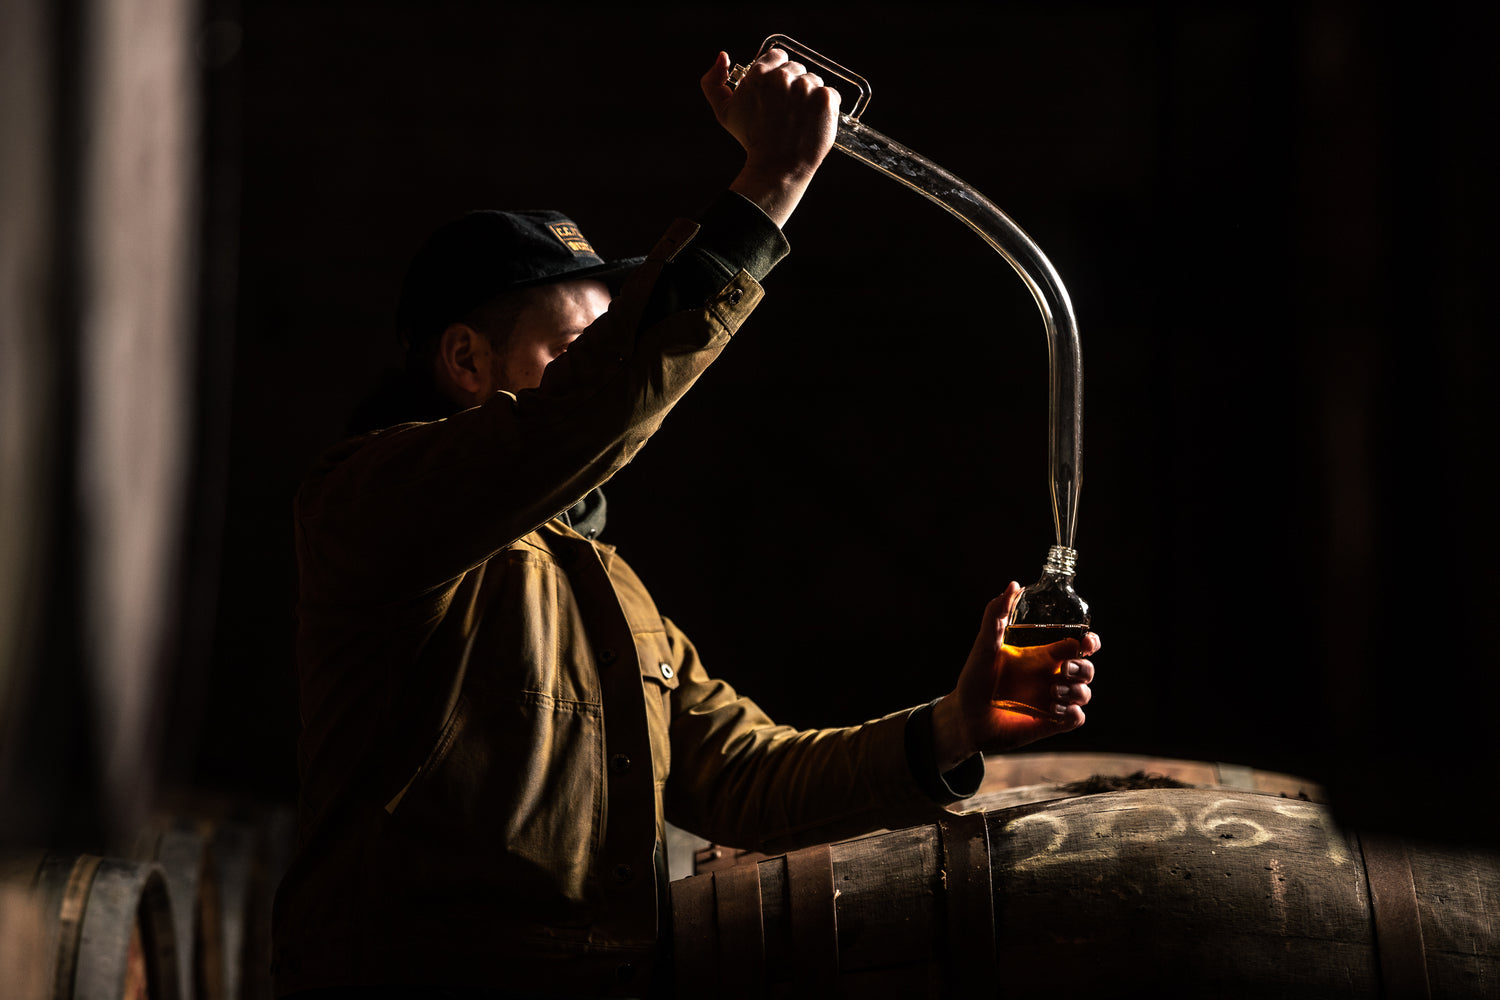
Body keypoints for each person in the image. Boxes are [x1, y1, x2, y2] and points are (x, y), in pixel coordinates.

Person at [271, 48, 1099, 999]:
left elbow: (748, 779)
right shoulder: (368, 507)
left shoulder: (607, 590)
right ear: (466, 358)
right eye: (575, 349)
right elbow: (584, 417)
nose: (604, 373)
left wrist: (955, 726)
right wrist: (771, 184)